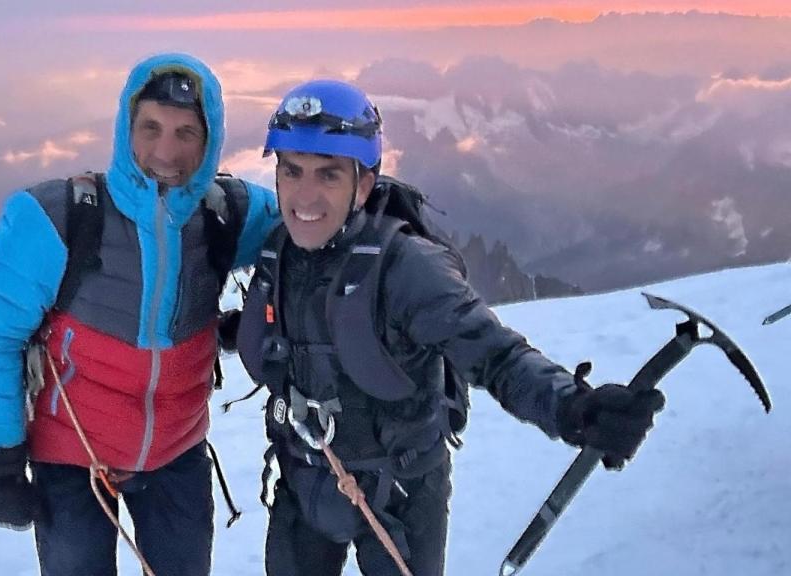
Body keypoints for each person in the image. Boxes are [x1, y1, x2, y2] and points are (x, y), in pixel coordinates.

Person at [236, 80, 665, 576]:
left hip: (399, 495)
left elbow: (495, 354)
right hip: (303, 483)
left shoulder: (405, 268)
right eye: (291, 171)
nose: (304, 195)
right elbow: (271, 336)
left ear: (364, 184)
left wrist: (574, 408)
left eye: (328, 175)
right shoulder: (277, 255)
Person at [0, 53, 278, 576]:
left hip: (178, 453)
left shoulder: (227, 214)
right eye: (150, 127)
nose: (166, 151)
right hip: (72, 460)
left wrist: (374, 204)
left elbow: (305, 223)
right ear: (125, 130)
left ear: (210, 141)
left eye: (187, 132)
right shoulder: (55, 217)